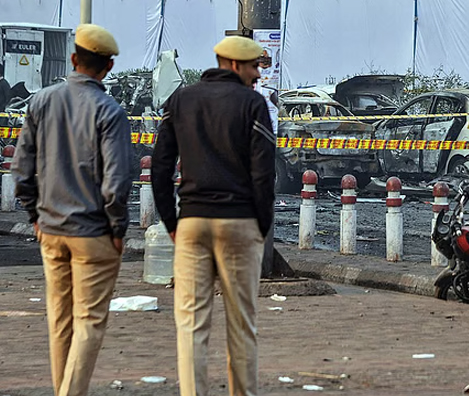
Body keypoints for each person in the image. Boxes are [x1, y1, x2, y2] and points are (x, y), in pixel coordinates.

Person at [152, 35, 276, 396]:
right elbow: (263, 174)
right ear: (234, 65)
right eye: (253, 67)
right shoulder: (253, 105)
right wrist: (260, 225)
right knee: (242, 324)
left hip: (192, 222)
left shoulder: (180, 101)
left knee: (190, 323)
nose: (257, 75)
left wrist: (172, 222)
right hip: (239, 223)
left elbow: (160, 168)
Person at [11, 24, 131, 396]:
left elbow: (21, 170)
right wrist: (117, 228)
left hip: (50, 230)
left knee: (60, 320)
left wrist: (34, 216)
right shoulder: (110, 111)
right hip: (93, 233)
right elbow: (116, 183)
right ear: (108, 67)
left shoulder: (41, 102)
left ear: (74, 59)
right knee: (89, 321)